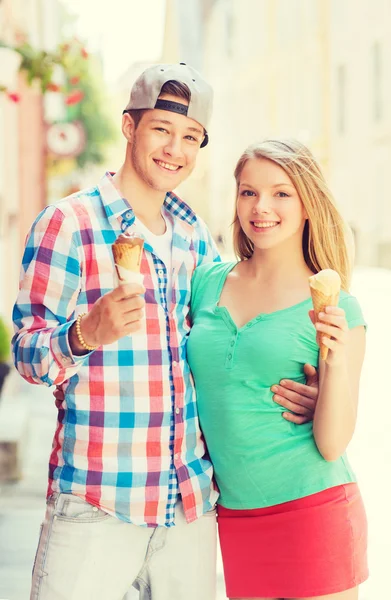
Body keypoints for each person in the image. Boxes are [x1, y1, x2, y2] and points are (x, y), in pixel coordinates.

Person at [12, 65, 318, 600]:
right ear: (129, 127)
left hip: (188, 509)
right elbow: (27, 357)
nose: (175, 148)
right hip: (96, 502)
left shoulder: (195, 236)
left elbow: (223, 348)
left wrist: (309, 392)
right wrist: (85, 332)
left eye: (191, 137)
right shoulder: (70, 224)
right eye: (161, 129)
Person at [187, 139, 368, 600]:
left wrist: (334, 361)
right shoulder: (206, 282)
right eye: (248, 192)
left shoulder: (337, 307)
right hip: (236, 517)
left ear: (307, 203)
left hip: (313, 514)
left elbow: (332, 444)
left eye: (280, 193)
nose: (261, 207)